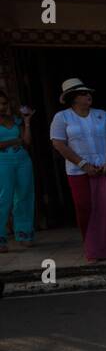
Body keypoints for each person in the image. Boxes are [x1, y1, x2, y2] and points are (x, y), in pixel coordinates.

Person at [49, 78, 106, 238]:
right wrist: (83, 164)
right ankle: (91, 242)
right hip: (77, 170)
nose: (88, 95)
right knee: (84, 206)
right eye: (83, 93)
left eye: (88, 93)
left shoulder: (102, 114)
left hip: (105, 168)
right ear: (73, 97)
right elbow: (58, 143)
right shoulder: (62, 117)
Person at [0, 90, 35, 253]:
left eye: (4, 103)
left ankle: (24, 234)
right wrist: (15, 140)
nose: (2, 106)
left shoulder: (14, 120)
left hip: (23, 160)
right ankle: (1, 237)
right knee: (4, 198)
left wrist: (26, 122)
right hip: (3, 162)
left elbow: (26, 141)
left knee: (24, 196)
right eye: (0, 103)